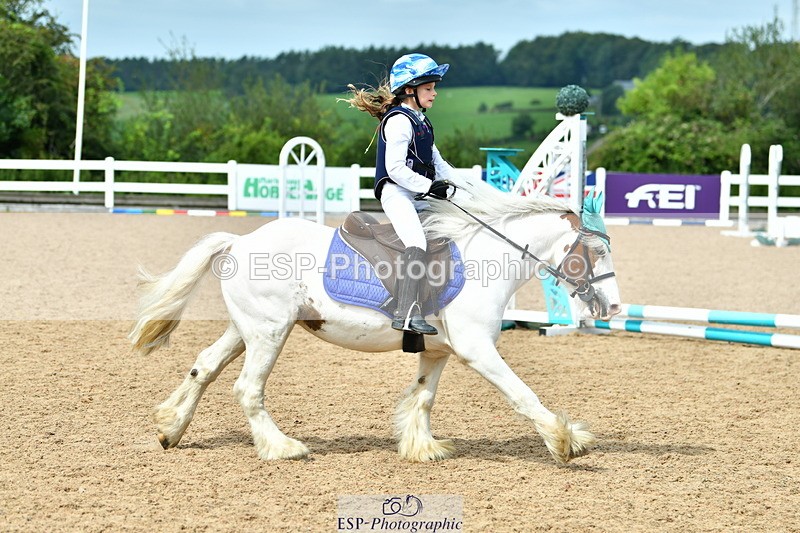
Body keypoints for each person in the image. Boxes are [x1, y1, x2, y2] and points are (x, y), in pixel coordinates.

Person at [344, 53, 455, 336]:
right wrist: (429, 186)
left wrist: (465, 190)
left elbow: (440, 165)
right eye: (429, 88)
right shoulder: (399, 121)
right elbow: (394, 169)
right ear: (410, 90)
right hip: (396, 193)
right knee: (416, 239)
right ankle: (404, 311)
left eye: (433, 87)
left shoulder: (422, 121)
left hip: (417, 193)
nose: (434, 93)